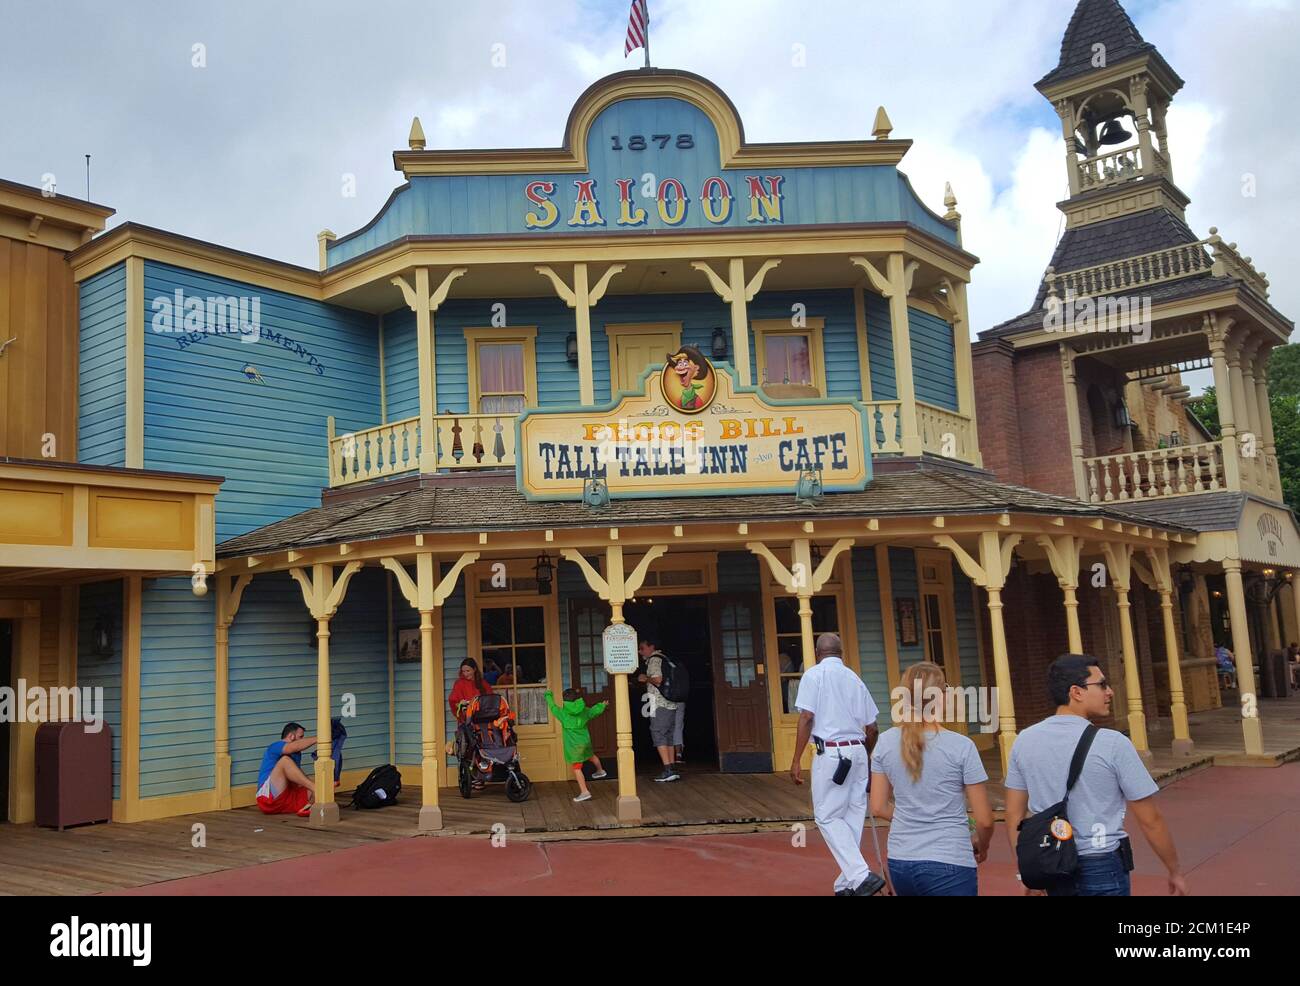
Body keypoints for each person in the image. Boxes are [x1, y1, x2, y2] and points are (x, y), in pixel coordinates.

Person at [1004, 653, 1188, 897]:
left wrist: (1028, 869)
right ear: (1076, 692)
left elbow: (1014, 814)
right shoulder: (1113, 744)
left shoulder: (1024, 740)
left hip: (1051, 862)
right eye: (1101, 684)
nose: (1109, 691)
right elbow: (1150, 818)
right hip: (1101, 862)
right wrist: (1174, 870)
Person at [869, 661, 994, 896]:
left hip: (901, 859)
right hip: (949, 859)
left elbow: (878, 806)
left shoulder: (885, 742)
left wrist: (914, 816)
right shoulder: (961, 746)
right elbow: (985, 820)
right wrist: (982, 844)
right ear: (941, 698)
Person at [789, 632, 885, 896]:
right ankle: (847, 884)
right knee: (851, 816)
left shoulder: (814, 675)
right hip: (857, 751)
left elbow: (807, 716)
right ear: (841, 653)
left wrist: (796, 758)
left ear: (819, 653)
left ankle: (861, 876)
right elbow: (873, 728)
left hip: (831, 753)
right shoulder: (855, 679)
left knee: (827, 816)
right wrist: (864, 756)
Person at [546, 688, 609, 802]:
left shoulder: (563, 713)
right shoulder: (583, 710)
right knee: (590, 755)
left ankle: (584, 792)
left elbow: (552, 706)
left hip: (574, 746)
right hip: (585, 741)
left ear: (565, 701)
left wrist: (548, 694)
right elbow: (594, 711)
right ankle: (600, 770)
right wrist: (602, 705)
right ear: (577, 699)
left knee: (577, 768)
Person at [636, 636, 680, 782]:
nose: (639, 651)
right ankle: (672, 768)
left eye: (642, 648)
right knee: (668, 735)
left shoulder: (655, 660)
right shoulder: (665, 658)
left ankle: (667, 769)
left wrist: (645, 678)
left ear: (651, 647)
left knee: (658, 733)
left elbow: (658, 680)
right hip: (671, 703)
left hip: (660, 703)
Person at [255, 722, 318, 816]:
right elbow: (292, 747)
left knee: (320, 787)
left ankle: (309, 806)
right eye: (301, 737)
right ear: (291, 736)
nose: (303, 740)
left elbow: (298, 779)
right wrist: (319, 738)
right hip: (267, 798)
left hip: (286, 799)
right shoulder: (276, 746)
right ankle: (316, 789)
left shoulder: (297, 754)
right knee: (285, 761)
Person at [449, 658, 492, 723]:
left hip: (483, 721)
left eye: (468, 671)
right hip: (467, 721)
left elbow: (490, 700)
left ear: (474, 669)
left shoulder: (483, 683)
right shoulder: (459, 683)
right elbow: (453, 701)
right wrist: (460, 704)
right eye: (463, 671)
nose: (465, 674)